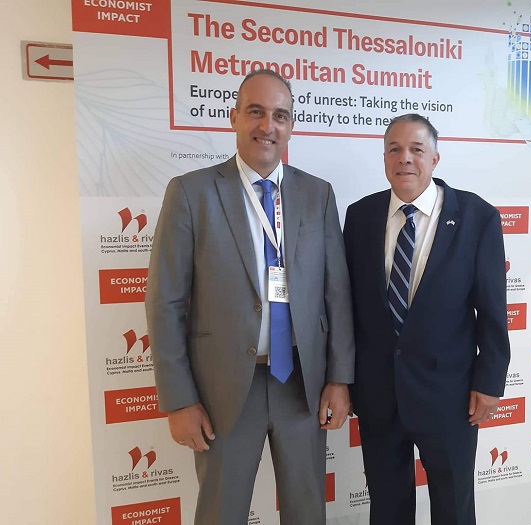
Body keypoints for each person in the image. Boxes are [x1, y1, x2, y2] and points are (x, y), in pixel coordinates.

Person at [145, 69, 355, 525]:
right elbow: (165, 303)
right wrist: (178, 399)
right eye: (255, 112)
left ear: (291, 125)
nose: (267, 126)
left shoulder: (317, 194)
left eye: (280, 115)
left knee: (306, 512)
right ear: (234, 117)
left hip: (300, 384)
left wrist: (339, 379)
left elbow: (336, 293)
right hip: (221, 389)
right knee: (221, 513)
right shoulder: (192, 192)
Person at [343, 113, 510, 525]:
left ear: (435, 158)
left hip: (450, 396)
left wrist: (489, 382)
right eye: (394, 149)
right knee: (387, 508)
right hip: (379, 393)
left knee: (454, 507)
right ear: (384, 158)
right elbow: (348, 307)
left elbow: (492, 309)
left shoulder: (477, 217)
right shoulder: (360, 216)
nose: (405, 158)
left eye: (416, 149)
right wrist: (343, 380)